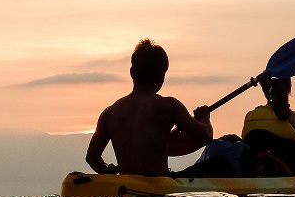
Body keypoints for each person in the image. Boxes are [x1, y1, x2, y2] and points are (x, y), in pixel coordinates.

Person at [86, 39, 213, 176]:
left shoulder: (110, 113)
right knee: (222, 161)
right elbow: (206, 137)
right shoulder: (169, 106)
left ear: (131, 72)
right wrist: (204, 116)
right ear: (162, 76)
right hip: (158, 188)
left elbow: (92, 158)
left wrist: (108, 171)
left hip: (125, 188)